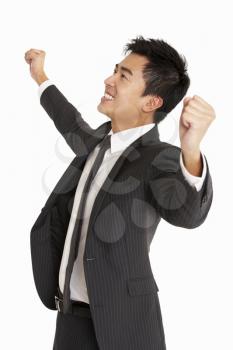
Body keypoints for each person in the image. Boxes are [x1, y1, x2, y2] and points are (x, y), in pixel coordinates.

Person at [25, 36, 215, 350]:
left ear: (151, 102)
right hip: (71, 319)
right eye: (115, 70)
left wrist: (191, 149)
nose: (109, 80)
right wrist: (41, 77)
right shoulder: (96, 143)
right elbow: (67, 117)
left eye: (123, 76)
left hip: (126, 325)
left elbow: (189, 213)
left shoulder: (159, 157)